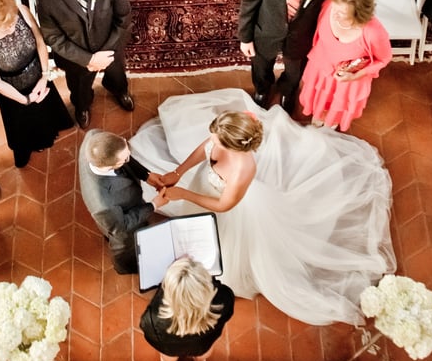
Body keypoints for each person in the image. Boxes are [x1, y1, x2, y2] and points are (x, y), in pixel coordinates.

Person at [130, 88, 395, 325]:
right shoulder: (219, 136)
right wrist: (178, 172)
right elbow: (205, 147)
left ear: (234, 147)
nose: (212, 139)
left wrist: (184, 194)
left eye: (217, 139)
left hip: (232, 211)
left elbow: (224, 205)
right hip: (204, 187)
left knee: (224, 244)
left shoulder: (243, 169)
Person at [239, 0, 341, 111]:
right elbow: (250, 1)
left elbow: (329, 9)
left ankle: (288, 91)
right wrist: (245, 38)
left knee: (295, 70)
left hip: (301, 35)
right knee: (261, 66)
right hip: (266, 30)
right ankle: (262, 89)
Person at [34, 0, 133, 128]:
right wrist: (88, 59)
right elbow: (53, 36)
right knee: (79, 87)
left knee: (117, 74)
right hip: (76, 55)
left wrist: (106, 53)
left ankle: (119, 91)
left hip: (110, 45)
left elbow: (124, 17)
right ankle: (82, 107)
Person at [0, 0, 73, 167]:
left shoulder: (22, 12)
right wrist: (26, 100)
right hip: (13, 93)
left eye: (12, 22)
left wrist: (44, 76)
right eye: (5, 27)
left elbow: (40, 42)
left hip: (39, 75)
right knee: (23, 126)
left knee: (47, 113)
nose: (12, 29)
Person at [299, 0, 392, 131]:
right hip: (320, 68)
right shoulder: (328, 5)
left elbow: (384, 58)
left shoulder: (374, 33)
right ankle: (319, 113)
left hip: (346, 80)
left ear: (359, 16)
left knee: (335, 108)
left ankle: (331, 120)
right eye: (335, 7)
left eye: (341, 13)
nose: (334, 14)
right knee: (317, 101)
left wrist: (355, 75)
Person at [78, 131, 162, 273]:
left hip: (121, 208)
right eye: (125, 158)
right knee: (125, 247)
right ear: (113, 165)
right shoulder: (103, 204)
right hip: (120, 225)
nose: (129, 156)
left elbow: (124, 156)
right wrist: (154, 205)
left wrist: (146, 175)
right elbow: (121, 226)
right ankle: (126, 267)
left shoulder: (94, 136)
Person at [140, 257, 235, 361]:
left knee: (169, 358)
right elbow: (227, 314)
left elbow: (149, 336)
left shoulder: (153, 317)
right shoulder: (223, 300)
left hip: (171, 347)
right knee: (203, 353)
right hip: (203, 344)